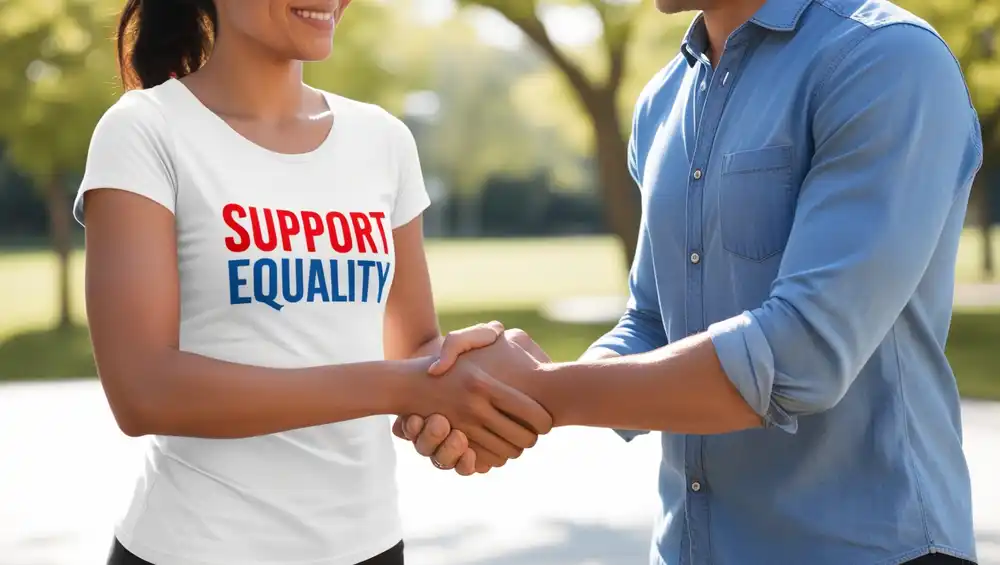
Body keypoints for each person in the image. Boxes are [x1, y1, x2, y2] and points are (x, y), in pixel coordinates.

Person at [398, 0, 982, 563]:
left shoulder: (886, 60)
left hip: (871, 550)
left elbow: (802, 353)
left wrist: (545, 391)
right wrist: (510, 400)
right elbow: (653, 321)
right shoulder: (662, 100)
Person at [77, 1, 554, 564]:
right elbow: (142, 391)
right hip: (193, 548)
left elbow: (415, 352)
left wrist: (472, 393)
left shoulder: (383, 140)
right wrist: (405, 386)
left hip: (369, 548)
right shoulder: (144, 130)